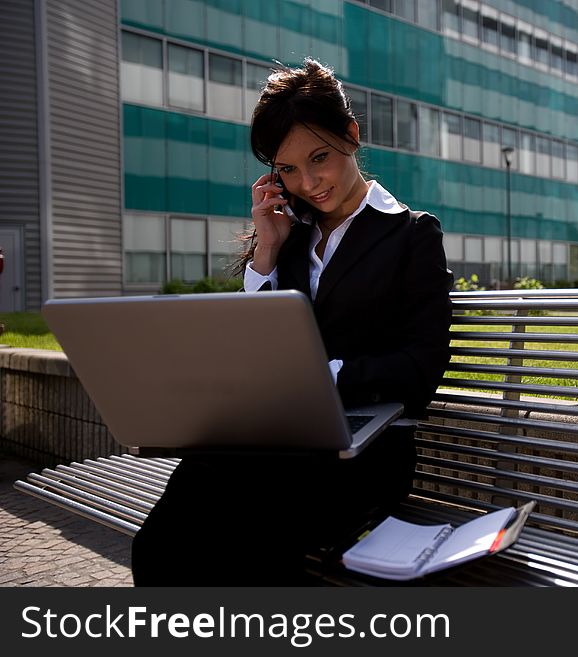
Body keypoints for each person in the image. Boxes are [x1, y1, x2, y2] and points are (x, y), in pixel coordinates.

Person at [130, 58, 453, 586]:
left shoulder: (411, 234)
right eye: (287, 170)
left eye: (319, 158)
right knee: (167, 535)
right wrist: (266, 254)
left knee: (249, 535)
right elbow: (254, 349)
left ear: (350, 135)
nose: (307, 182)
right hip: (275, 443)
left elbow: (421, 368)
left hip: (361, 454)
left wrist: (322, 375)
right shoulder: (292, 236)